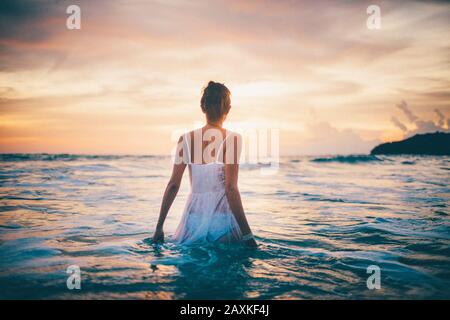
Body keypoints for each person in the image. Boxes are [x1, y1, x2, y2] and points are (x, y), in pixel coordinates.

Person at [152, 81, 257, 247]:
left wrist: (159, 227)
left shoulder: (185, 139)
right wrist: (247, 235)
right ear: (228, 109)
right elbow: (230, 188)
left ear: (203, 107)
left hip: (192, 220)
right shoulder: (232, 139)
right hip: (222, 222)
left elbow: (173, 184)